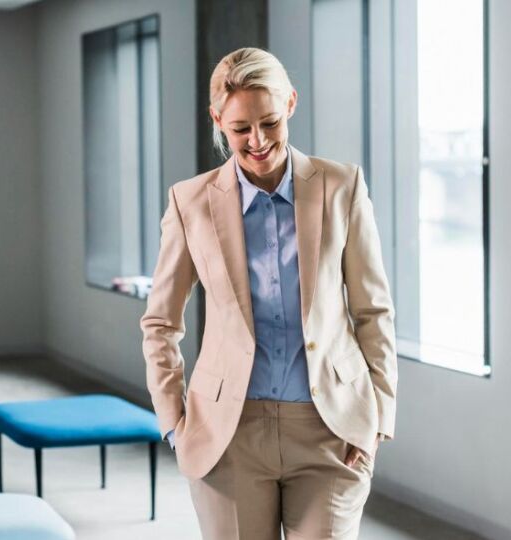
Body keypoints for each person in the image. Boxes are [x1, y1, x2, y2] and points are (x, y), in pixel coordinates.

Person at [140, 47, 396, 540]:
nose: (257, 141)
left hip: (330, 429)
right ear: (217, 119)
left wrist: (378, 417)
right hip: (228, 433)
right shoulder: (190, 201)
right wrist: (174, 423)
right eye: (239, 129)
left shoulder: (341, 186)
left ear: (291, 105)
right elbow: (160, 322)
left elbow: (372, 309)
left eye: (270, 123)